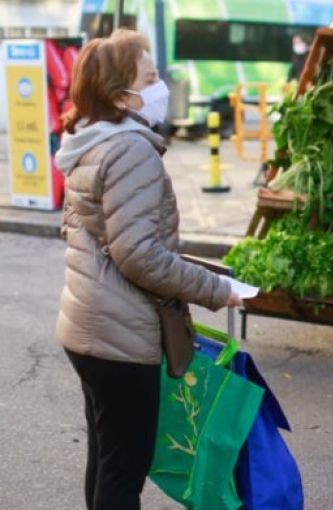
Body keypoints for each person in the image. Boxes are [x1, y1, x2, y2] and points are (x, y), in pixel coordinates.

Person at [55, 29, 242, 509]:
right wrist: (218, 289)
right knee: (123, 467)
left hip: (86, 326)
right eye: (151, 77)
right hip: (118, 337)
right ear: (122, 96)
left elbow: (81, 229)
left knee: (106, 458)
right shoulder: (130, 150)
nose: (161, 86)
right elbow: (138, 254)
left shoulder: (87, 143)